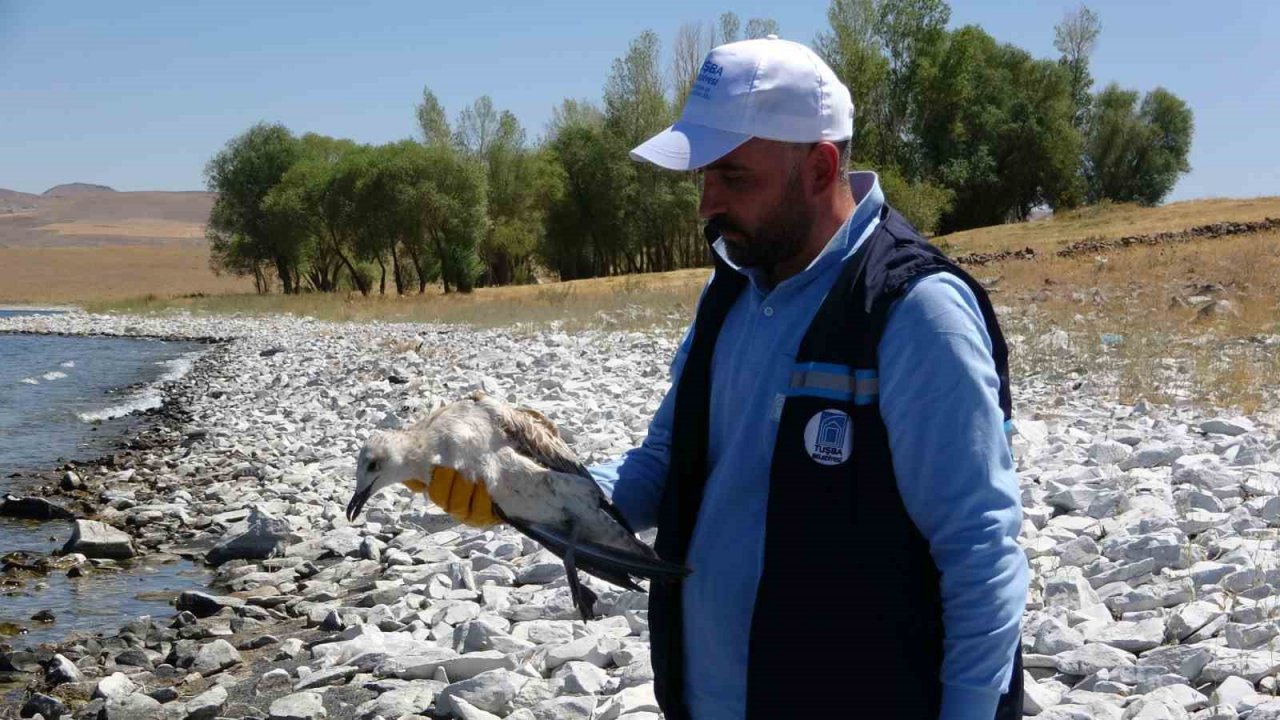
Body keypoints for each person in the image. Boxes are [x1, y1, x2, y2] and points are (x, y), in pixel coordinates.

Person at [430, 36, 1028, 720]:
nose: (706, 205)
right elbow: (665, 465)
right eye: (703, 178)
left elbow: (980, 551)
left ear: (820, 166)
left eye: (734, 178)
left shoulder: (912, 310)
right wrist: (524, 491)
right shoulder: (733, 291)